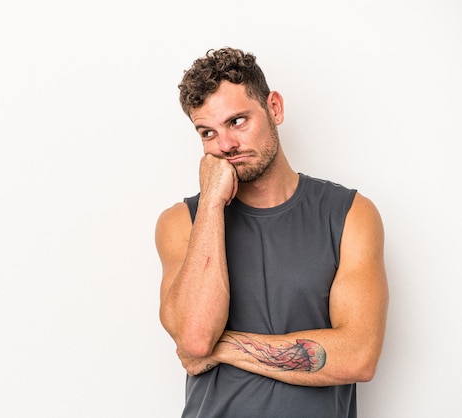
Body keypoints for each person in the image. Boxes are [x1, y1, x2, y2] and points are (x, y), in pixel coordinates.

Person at [155, 47, 389, 417]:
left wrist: (224, 347)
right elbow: (197, 336)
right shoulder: (181, 222)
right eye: (208, 132)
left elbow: (359, 357)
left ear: (274, 108)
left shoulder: (349, 215)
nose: (226, 145)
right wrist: (213, 205)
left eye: (237, 121)